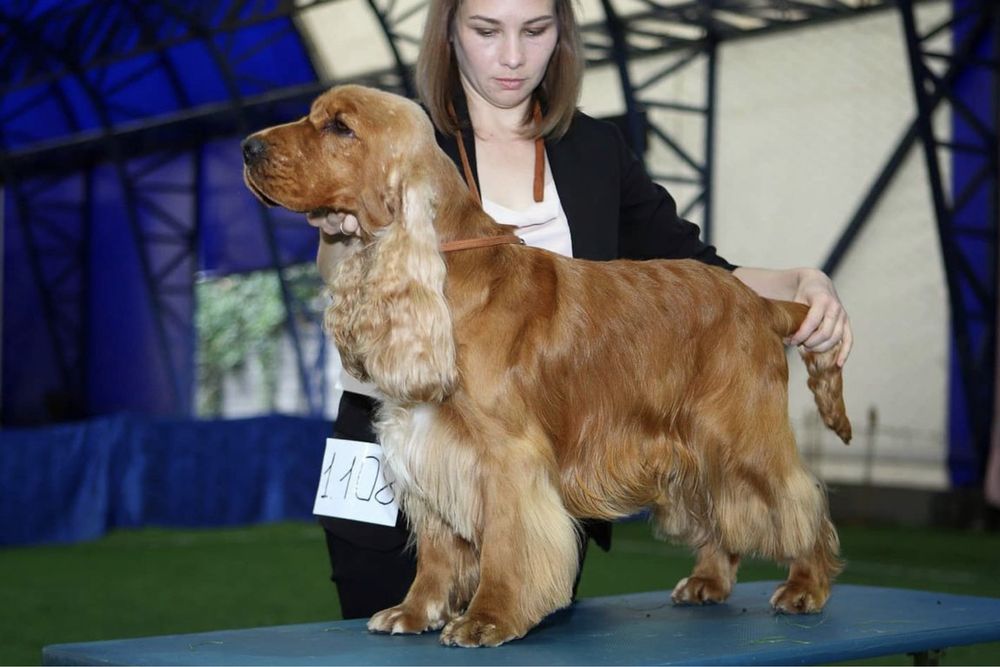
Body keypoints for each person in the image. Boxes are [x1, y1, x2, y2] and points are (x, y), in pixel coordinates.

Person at [307, 0, 854, 620]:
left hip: (530, 497)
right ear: (449, 35)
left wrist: (803, 280)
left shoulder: (594, 147)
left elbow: (696, 268)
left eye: (535, 30)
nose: (513, 56)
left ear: (562, 37)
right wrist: (338, 234)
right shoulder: (397, 134)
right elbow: (338, 278)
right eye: (487, 30)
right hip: (380, 476)